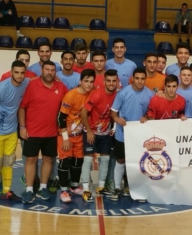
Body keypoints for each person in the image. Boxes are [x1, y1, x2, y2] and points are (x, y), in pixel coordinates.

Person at [19, 61, 68, 204]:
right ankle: (29, 189)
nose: (50, 72)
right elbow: (22, 107)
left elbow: (71, 100)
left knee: (48, 160)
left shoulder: (60, 86)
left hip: (52, 133)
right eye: (47, 69)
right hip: (32, 132)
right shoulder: (32, 85)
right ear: (42, 70)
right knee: (31, 160)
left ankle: (43, 187)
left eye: (52, 70)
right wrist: (22, 127)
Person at [110, 68, 154, 201]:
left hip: (139, 135)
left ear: (145, 79)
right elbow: (113, 111)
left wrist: (146, 116)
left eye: (142, 78)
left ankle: (136, 189)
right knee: (121, 160)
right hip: (122, 134)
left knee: (138, 162)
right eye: (137, 78)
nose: (140, 81)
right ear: (133, 79)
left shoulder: (150, 94)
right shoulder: (123, 93)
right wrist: (117, 119)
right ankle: (118, 187)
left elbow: (151, 113)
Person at [80, 69, 119, 202]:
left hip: (105, 132)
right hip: (91, 132)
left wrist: (113, 127)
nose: (111, 83)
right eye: (108, 80)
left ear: (117, 81)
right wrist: (89, 131)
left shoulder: (118, 95)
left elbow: (116, 113)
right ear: (104, 81)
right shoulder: (97, 94)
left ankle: (101, 187)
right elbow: (83, 112)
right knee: (88, 160)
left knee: (106, 159)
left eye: (114, 81)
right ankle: (86, 189)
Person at [57, 69, 96, 202]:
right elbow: (61, 117)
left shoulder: (92, 94)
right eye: (86, 81)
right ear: (80, 81)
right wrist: (65, 138)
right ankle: (63, 190)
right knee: (65, 161)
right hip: (65, 135)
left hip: (79, 134)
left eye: (91, 82)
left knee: (78, 162)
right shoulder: (71, 95)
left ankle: (74, 186)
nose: (89, 84)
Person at [0, 60, 29, 201]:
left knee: (9, 161)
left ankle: (7, 191)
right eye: (16, 72)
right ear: (11, 72)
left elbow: (34, 80)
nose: (20, 76)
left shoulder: (26, 83)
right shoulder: (1, 88)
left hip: (11, 131)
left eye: (22, 73)